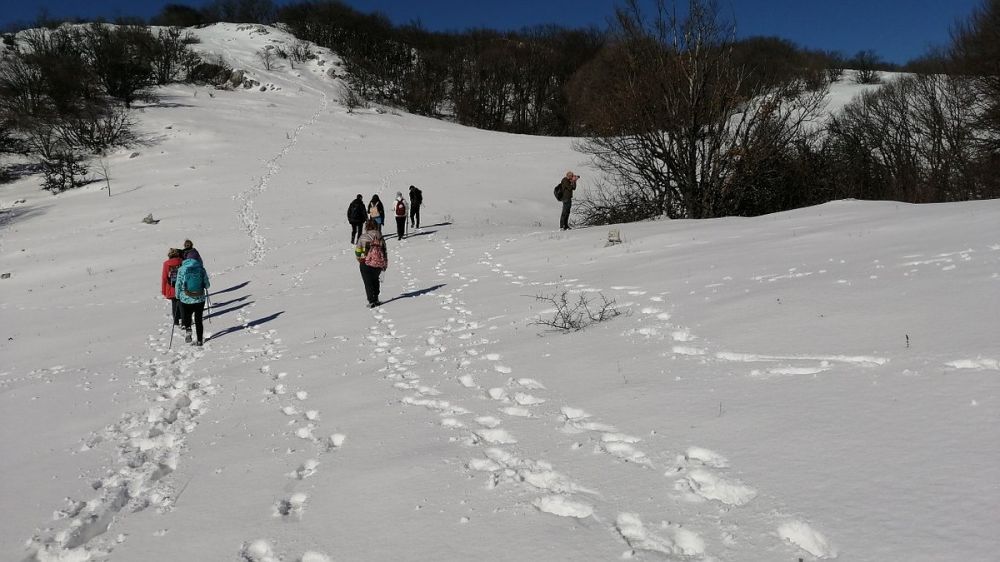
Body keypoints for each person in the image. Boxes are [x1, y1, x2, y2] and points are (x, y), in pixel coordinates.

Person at [175, 254, 211, 346]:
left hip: (185, 298)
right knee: (198, 319)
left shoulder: (181, 269)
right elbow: (207, 285)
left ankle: (188, 331)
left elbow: (178, 284)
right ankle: (199, 340)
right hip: (199, 298)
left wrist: (177, 295)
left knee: (187, 316)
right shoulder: (201, 269)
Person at [354, 219, 388, 308]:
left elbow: (358, 251)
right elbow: (384, 251)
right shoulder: (380, 236)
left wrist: (360, 258)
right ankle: (376, 298)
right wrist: (385, 263)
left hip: (366, 263)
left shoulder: (363, 237)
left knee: (368, 282)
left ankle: (371, 300)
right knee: (375, 280)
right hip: (378, 263)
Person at [161, 248, 183, 327]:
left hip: (171, 287)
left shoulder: (166, 264)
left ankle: (176, 321)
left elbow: (164, 278)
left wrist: (164, 290)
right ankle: (184, 321)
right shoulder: (182, 261)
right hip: (182, 286)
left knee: (174, 303)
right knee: (181, 303)